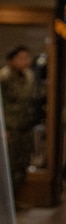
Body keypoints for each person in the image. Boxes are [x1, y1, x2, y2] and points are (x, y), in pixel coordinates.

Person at [0, 46, 36, 201]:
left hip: (24, 129)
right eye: (21, 58)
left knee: (21, 165)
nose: (25, 61)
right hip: (8, 129)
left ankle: (13, 201)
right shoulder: (4, 77)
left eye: (27, 58)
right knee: (8, 166)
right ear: (12, 60)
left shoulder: (29, 77)